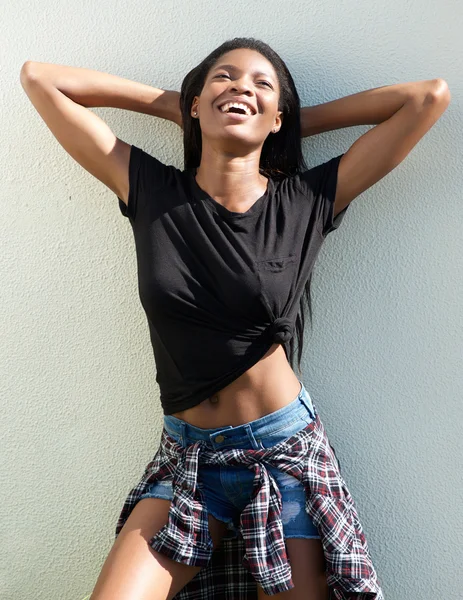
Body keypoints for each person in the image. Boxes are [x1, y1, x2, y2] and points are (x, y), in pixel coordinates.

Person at [20, 37, 450, 600]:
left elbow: (426, 99)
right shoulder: (151, 189)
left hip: (283, 455)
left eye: (261, 85)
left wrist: (286, 121)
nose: (241, 87)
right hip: (188, 460)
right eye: (223, 78)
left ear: (277, 117)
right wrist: (181, 103)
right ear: (196, 104)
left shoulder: (306, 200)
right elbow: (40, 79)